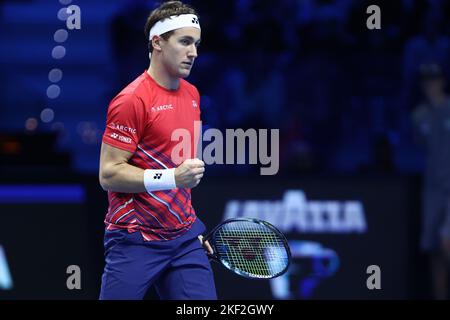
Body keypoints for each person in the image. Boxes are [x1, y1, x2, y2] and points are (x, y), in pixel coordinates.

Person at [98, 1, 217, 300]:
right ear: (157, 42)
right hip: (134, 239)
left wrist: (191, 229)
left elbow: (174, 164)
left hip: (184, 239)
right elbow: (109, 174)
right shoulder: (131, 101)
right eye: (185, 42)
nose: (194, 53)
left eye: (197, 43)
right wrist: (172, 178)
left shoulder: (192, 94)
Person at [411, 63, 450, 299]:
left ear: (443, 81)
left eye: (434, 80)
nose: (430, 85)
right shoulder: (418, 115)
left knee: (447, 245)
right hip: (432, 189)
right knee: (434, 250)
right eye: (426, 80)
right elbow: (421, 147)